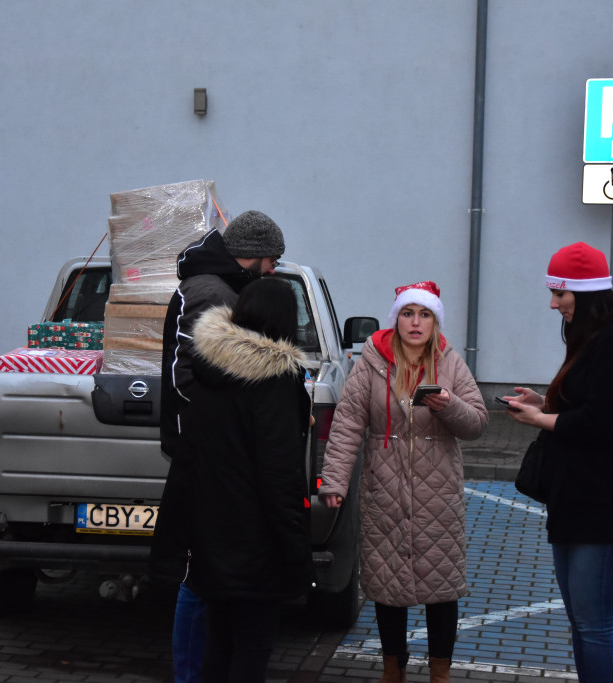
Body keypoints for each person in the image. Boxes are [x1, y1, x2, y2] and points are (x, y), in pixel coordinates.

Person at [500, 241, 613, 683]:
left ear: (586, 292)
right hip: (576, 495)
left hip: (611, 501)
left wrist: (542, 418)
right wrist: (547, 401)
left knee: (594, 627)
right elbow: (589, 399)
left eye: (561, 294)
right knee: (582, 624)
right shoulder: (590, 330)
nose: (553, 304)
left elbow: (602, 422)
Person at [319, 281, 488, 683]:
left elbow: (478, 423)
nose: (415, 322)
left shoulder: (450, 362)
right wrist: (335, 481)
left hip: (438, 493)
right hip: (385, 489)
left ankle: (439, 672)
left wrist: (450, 405)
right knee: (386, 583)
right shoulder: (372, 362)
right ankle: (392, 668)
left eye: (424, 314)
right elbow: (346, 424)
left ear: (435, 322)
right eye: (408, 313)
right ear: (397, 318)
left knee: (441, 587)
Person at [150, 210, 286, 683]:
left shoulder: (222, 286)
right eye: (272, 261)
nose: (272, 271)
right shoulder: (212, 291)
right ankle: (190, 675)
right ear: (254, 254)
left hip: (209, 449)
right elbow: (189, 375)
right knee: (199, 574)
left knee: (209, 572)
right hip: (205, 451)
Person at [182, 277, 314, 682]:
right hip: (258, 543)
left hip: (211, 536)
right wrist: (296, 548)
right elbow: (280, 473)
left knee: (218, 643)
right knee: (252, 650)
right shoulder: (274, 381)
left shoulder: (207, 370)